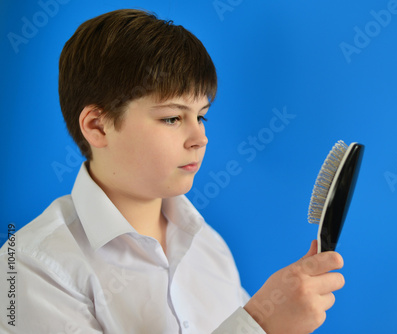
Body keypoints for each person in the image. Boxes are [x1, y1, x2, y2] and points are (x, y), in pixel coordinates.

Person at [0, 9, 345, 333]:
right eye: (172, 118)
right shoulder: (30, 268)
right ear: (98, 126)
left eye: (201, 116)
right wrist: (259, 324)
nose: (200, 138)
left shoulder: (208, 246)